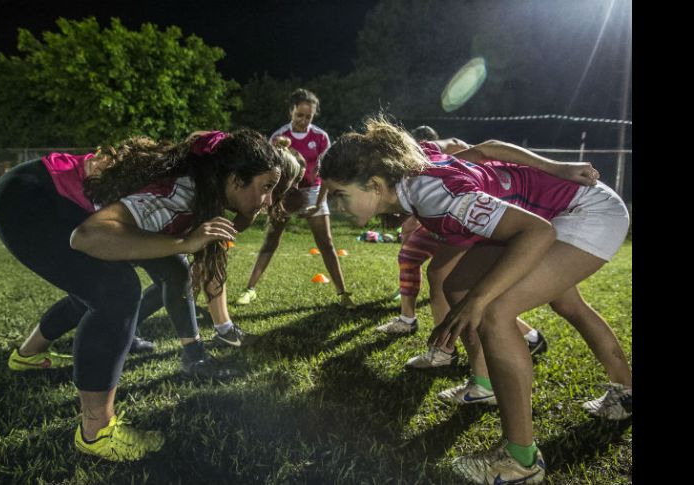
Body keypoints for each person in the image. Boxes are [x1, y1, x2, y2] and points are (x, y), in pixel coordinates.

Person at [319, 116, 631, 484]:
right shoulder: (417, 163)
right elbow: (486, 149)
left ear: (373, 184)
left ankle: (521, 461)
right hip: (552, 212)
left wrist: (481, 300)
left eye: (339, 195)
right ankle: (488, 386)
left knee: (495, 310)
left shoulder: (438, 197)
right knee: (460, 288)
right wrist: (555, 167)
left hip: (584, 211)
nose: (336, 206)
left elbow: (536, 232)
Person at [0, 129, 283, 462]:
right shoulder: (178, 195)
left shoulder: (207, 184)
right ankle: (96, 431)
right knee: (116, 291)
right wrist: (184, 243)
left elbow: (184, 263)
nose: (270, 199)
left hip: (41, 186)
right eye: (267, 188)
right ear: (234, 180)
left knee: (160, 272)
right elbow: (89, 236)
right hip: (30, 199)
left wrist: (243, 214)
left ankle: (28, 355)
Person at [378, 126, 548, 362]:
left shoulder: (425, 155)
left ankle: (461, 356)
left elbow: (466, 147)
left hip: (472, 214)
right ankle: (443, 346)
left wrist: (459, 172)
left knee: (456, 283)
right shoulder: (403, 181)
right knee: (436, 273)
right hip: (447, 220)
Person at [133, 144, 306, 348]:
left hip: (172, 225)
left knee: (178, 276)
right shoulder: (218, 185)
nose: (294, 189)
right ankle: (208, 341)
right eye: (290, 184)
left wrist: (249, 214)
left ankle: (129, 332)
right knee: (181, 275)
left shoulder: (250, 190)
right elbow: (214, 254)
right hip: (146, 223)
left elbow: (230, 231)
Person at [235, 88, 355, 309]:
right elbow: (268, 173)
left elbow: (325, 173)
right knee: (270, 241)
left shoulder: (320, 137)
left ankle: (342, 293)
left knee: (326, 243)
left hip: (313, 192)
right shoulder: (279, 137)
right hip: (285, 194)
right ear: (291, 111)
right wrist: (272, 201)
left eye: (308, 116)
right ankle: (249, 289)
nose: (303, 120)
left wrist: (318, 204)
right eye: (299, 114)